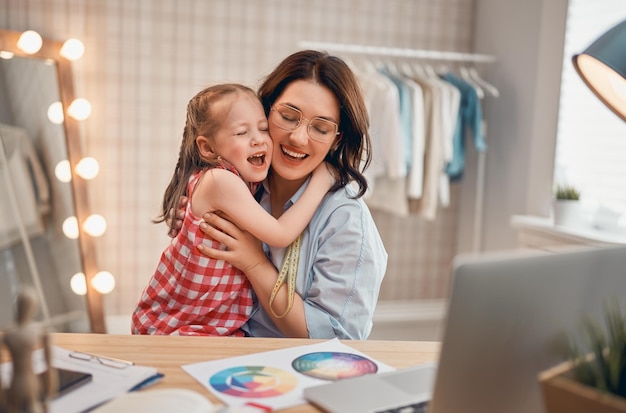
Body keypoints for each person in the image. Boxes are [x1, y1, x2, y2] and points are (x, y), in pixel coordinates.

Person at [188, 50, 388, 339]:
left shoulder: (346, 220)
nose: (298, 138)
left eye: (320, 128)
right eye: (288, 116)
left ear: (337, 138)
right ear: (266, 110)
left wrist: (255, 263)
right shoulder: (244, 184)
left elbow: (336, 340)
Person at [132, 83, 334, 336]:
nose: (258, 139)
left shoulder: (240, 181)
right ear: (207, 148)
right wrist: (321, 181)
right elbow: (280, 234)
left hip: (215, 321)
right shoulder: (221, 181)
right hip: (181, 322)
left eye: (262, 128)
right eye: (241, 133)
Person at [0, 287, 57, 413]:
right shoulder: (37, 331)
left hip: (14, 382)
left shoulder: (8, 334)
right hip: (31, 382)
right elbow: (49, 363)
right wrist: (50, 386)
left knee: (12, 408)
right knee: (33, 407)